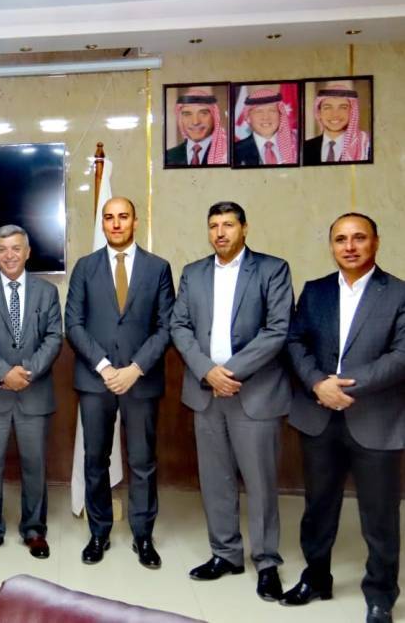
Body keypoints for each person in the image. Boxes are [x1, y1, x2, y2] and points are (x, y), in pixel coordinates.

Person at [281, 213, 404, 623]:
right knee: (318, 507)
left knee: (379, 515)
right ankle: (316, 577)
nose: (349, 246)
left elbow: (401, 355)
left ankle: (380, 596)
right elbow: (295, 341)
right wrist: (318, 384)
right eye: (340, 239)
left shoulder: (399, 293)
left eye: (359, 238)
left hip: (376, 420)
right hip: (319, 416)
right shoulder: (315, 291)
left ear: (376, 242)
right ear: (331, 245)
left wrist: (345, 386)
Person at [170, 201, 293, 602]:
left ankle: (267, 561)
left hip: (253, 393)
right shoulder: (193, 273)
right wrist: (208, 371)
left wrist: (230, 373)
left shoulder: (272, 270)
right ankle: (225, 554)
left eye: (228, 225)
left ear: (244, 228)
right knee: (215, 480)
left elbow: (277, 330)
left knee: (260, 483)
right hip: (206, 392)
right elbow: (179, 325)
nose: (220, 232)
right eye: (213, 226)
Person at [65, 197, 174, 568]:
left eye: (123, 217)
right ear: (103, 223)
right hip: (96, 380)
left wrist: (135, 368)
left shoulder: (158, 268)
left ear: (135, 221)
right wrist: (104, 367)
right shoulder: (85, 267)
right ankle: (99, 533)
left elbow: (166, 326)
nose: (115, 224)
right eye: (109, 217)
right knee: (95, 459)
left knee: (142, 461)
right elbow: (73, 324)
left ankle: (143, 536)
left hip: (140, 380)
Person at [0, 224, 62, 560]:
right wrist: (4, 373)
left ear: (27, 252)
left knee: (35, 466)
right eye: (3, 249)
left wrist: (27, 372)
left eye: (16, 248)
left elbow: (54, 337)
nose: (10, 255)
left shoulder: (47, 292)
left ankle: (34, 530)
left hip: (34, 393)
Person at [303, 84, 371, 165]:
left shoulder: (366, 147)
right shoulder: (304, 148)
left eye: (343, 107)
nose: (335, 114)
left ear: (351, 112)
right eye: (327, 107)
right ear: (319, 113)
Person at [165, 88, 229, 166]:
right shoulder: (168, 156)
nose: (195, 122)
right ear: (180, 119)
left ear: (214, 117)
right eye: (187, 114)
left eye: (203, 113)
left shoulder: (228, 153)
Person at [233, 88, 298, 166]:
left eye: (272, 110)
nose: (266, 117)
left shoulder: (296, 146)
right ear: (248, 117)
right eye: (259, 111)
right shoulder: (235, 152)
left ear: (280, 115)